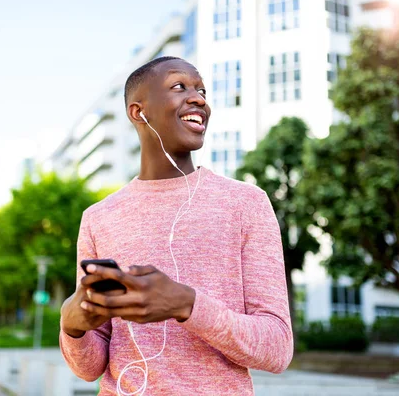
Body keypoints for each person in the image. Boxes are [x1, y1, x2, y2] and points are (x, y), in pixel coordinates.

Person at [59, 56, 293, 395]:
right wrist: (73, 326)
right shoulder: (98, 217)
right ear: (139, 112)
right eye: (179, 86)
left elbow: (276, 348)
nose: (199, 98)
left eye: (201, 90)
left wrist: (186, 305)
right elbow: (90, 368)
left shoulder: (246, 203)